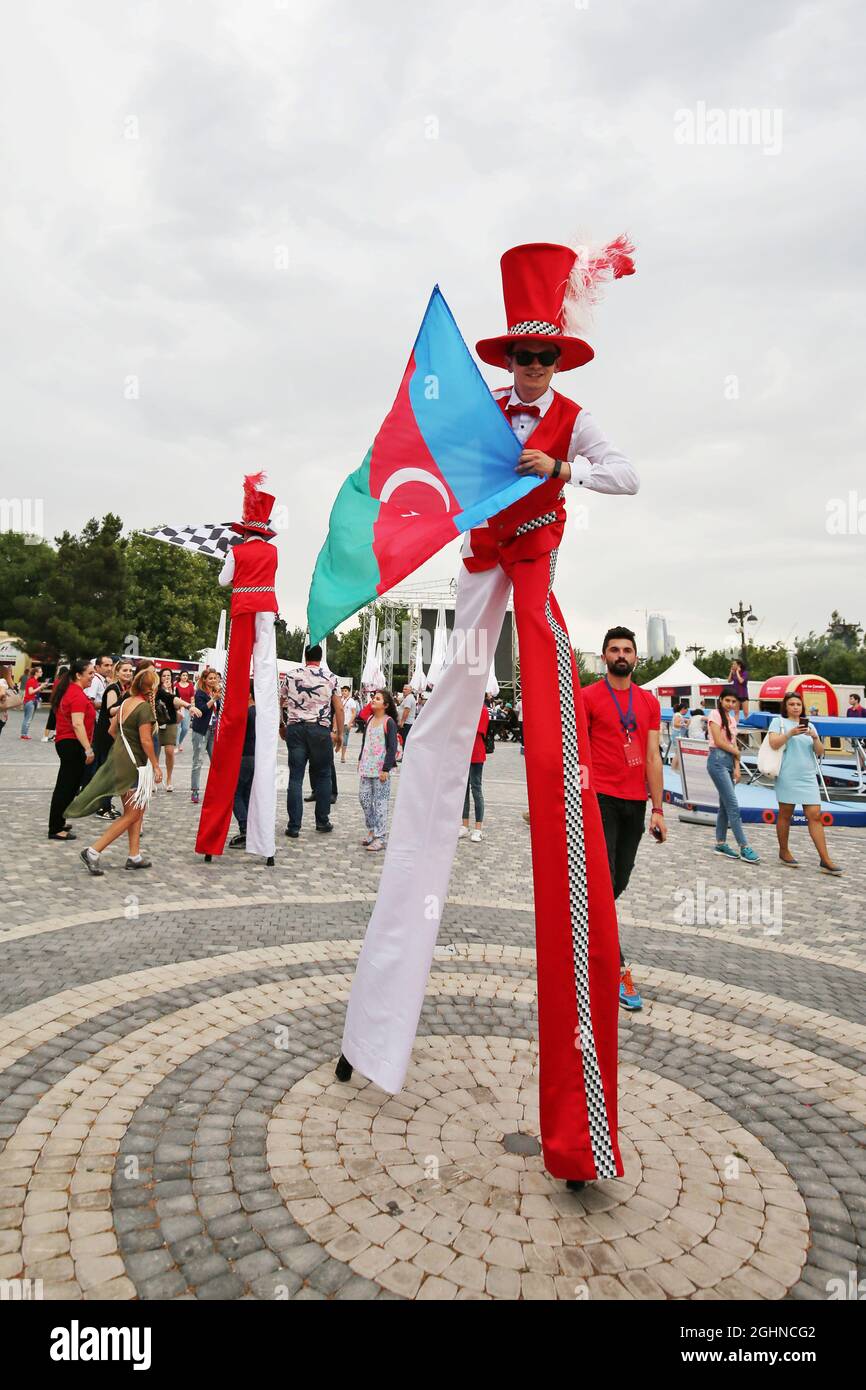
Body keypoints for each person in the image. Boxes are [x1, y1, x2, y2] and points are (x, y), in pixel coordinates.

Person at [338, 235, 638, 1190]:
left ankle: (577, 1125)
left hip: (536, 581)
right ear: (505, 357)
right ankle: (372, 1029)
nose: (532, 367)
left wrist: (564, 472)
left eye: (544, 355)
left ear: (561, 359)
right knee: (430, 744)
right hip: (475, 587)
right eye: (520, 354)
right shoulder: (479, 414)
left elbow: (627, 474)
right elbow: (424, 472)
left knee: (557, 776)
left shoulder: (577, 421)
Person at [195, 474, 280, 863]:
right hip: (267, 613)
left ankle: (218, 837)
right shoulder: (273, 554)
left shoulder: (237, 550)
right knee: (264, 677)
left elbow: (223, 580)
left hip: (244, 613)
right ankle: (262, 842)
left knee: (235, 686)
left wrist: (232, 558)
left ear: (244, 529)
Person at [583, 627, 666, 1013]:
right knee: (603, 882)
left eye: (627, 649)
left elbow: (652, 756)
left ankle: (585, 931)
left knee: (617, 883)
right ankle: (615, 969)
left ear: (635, 657)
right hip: (600, 798)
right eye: (614, 649)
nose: (621, 654)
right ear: (604, 657)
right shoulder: (587, 698)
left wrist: (659, 809)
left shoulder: (648, 702)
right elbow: (577, 755)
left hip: (635, 801)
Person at [69, 665, 163, 872]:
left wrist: (124, 744)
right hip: (134, 765)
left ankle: (134, 855)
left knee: (136, 811)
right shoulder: (144, 708)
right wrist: (156, 765)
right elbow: (147, 740)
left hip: (122, 760)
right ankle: (93, 851)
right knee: (132, 813)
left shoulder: (126, 702)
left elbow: (112, 730)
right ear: (152, 688)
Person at [768, 692, 841, 874]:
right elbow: (774, 744)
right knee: (786, 813)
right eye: (791, 704)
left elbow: (819, 751)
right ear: (785, 706)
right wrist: (790, 734)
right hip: (787, 774)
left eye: (798, 704)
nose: (795, 707)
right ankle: (784, 851)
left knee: (815, 815)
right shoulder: (779, 722)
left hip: (808, 775)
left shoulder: (810, 725)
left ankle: (825, 859)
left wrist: (815, 737)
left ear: (802, 706)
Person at [281, 644, 343, 837]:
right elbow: (339, 708)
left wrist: (281, 726)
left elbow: (280, 702)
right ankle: (322, 821)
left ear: (305, 656)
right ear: (321, 656)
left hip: (296, 728)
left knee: (295, 777)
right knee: (323, 775)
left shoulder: (290, 676)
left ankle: (294, 826)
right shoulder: (331, 678)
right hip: (320, 730)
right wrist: (339, 734)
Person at [706, 686, 760, 863]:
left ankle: (721, 843)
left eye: (733, 701)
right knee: (732, 805)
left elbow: (734, 744)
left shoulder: (732, 720)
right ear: (721, 700)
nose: (730, 704)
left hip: (729, 762)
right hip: (717, 761)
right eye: (727, 700)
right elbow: (719, 741)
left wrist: (737, 766)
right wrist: (736, 753)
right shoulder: (714, 714)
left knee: (724, 805)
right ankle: (744, 846)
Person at [47, 659, 96, 840]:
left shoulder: (75, 692)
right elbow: (77, 724)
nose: (92, 677)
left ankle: (60, 821)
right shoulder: (75, 694)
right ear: (78, 675)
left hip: (69, 743)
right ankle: (55, 827)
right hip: (71, 743)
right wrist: (88, 749)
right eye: (90, 673)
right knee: (66, 786)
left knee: (70, 785)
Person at [357, 689, 399, 851]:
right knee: (364, 799)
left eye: (378, 698)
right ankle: (372, 828)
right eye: (373, 698)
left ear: (386, 705)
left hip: (381, 770)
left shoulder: (389, 722)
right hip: (366, 767)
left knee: (380, 804)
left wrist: (386, 768)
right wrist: (361, 759)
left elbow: (392, 747)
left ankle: (380, 837)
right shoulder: (369, 720)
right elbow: (365, 742)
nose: (373, 700)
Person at [229, 685, 256, 849]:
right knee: (245, 793)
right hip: (253, 756)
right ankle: (248, 828)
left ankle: (245, 827)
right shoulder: (257, 711)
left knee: (235, 793)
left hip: (245, 756)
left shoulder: (248, 712)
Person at [458, 700, 490, 843]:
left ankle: (478, 828)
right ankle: (465, 825)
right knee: (463, 790)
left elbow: (474, 729)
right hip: (463, 754)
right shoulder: (465, 708)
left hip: (476, 753)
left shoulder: (482, 710)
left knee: (476, 789)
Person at [190, 670, 220, 805]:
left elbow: (219, 710)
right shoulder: (200, 693)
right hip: (201, 730)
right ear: (204, 679)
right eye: (210, 678)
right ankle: (195, 789)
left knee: (216, 761)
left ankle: (216, 790)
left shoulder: (216, 692)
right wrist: (213, 700)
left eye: (215, 678)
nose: (213, 680)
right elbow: (201, 710)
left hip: (213, 730)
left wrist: (217, 698)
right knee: (198, 761)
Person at [155, 669, 185, 793]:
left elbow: (177, 706)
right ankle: (154, 778)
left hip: (170, 722)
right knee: (155, 752)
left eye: (168, 676)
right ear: (160, 677)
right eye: (164, 676)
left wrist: (170, 692)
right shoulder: (156, 690)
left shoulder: (175, 689)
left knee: (169, 751)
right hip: (158, 722)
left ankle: (169, 779)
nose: (166, 678)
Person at [20, 665, 50, 739]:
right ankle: (24, 734)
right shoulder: (32, 680)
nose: (42, 673)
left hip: (31, 701)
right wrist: (40, 686)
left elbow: (35, 691)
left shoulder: (35, 680)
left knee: (27, 718)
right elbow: (30, 692)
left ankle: (24, 734)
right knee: (28, 719)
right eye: (40, 672)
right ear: (36, 673)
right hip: (30, 701)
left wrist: (42, 686)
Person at [175, 670, 196, 749]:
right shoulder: (176, 685)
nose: (185, 677)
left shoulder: (190, 685)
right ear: (180, 676)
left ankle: (179, 742)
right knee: (177, 728)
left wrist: (192, 709)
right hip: (178, 709)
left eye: (186, 676)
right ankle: (176, 746)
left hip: (187, 708)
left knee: (185, 728)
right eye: (183, 675)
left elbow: (192, 698)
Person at [669, 698, 690, 769]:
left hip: (676, 735)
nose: (687, 711)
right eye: (687, 710)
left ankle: (676, 767)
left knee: (678, 753)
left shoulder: (677, 715)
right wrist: (684, 725)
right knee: (678, 753)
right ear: (683, 709)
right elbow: (676, 724)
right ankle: (674, 767)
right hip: (677, 735)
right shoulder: (678, 715)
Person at [340, 685, 359, 763]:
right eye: (343, 691)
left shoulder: (351, 701)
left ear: (349, 692)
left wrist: (350, 723)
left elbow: (354, 713)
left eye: (345, 691)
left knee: (344, 740)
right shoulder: (340, 700)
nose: (344, 692)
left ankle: (343, 756)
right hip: (339, 722)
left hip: (346, 723)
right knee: (335, 738)